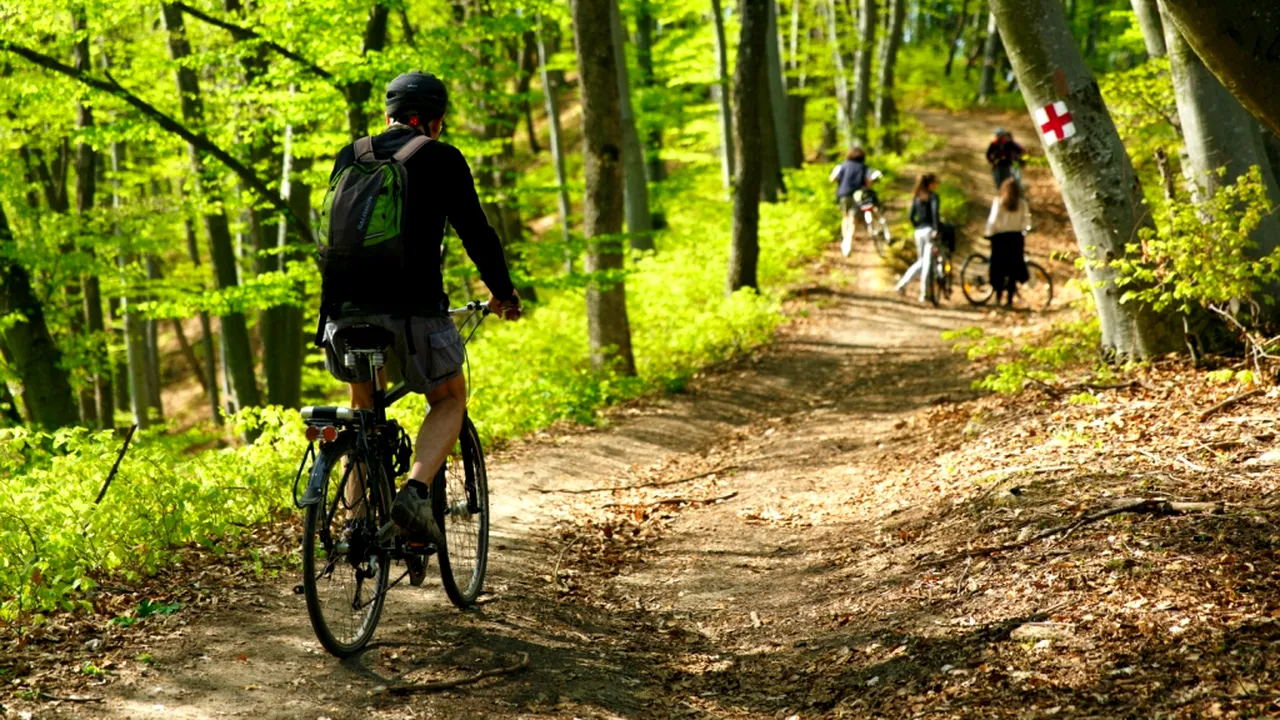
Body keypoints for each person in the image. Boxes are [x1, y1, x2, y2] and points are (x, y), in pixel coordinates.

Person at [317, 71, 522, 574]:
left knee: (364, 410)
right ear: (435, 120)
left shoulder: (351, 156)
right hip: (413, 311)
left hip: (341, 312)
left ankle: (359, 526)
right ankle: (413, 492)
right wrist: (503, 293)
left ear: (388, 114)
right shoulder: (441, 157)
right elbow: (477, 233)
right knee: (448, 398)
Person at [984, 177, 1031, 308]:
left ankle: (998, 298)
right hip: (1016, 239)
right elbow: (1026, 223)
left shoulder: (999, 202)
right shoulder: (1022, 204)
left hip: (1000, 239)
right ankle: (1009, 300)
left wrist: (989, 233)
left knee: (999, 268)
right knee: (1012, 271)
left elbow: (993, 221)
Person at [895, 173, 941, 302]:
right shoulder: (933, 197)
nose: (937, 185)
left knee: (921, 261)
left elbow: (911, 216)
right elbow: (935, 214)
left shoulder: (917, 197)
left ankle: (902, 284)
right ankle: (924, 293)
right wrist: (936, 229)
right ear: (930, 183)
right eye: (935, 183)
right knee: (927, 263)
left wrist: (917, 226)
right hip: (929, 232)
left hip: (918, 232)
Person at [829, 147, 869, 257]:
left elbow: (832, 178)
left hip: (843, 194)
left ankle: (844, 242)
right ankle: (848, 243)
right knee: (853, 221)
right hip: (857, 196)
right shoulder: (864, 167)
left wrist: (841, 181)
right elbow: (868, 181)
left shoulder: (842, 165)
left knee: (845, 217)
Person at [986, 128, 1024, 192]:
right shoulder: (994, 144)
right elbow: (988, 154)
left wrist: (1020, 160)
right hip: (997, 167)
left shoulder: (1009, 143)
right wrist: (992, 161)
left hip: (1008, 166)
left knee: (1008, 183)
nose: (1001, 137)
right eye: (999, 135)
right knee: (999, 183)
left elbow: (1021, 150)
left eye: (1002, 135)